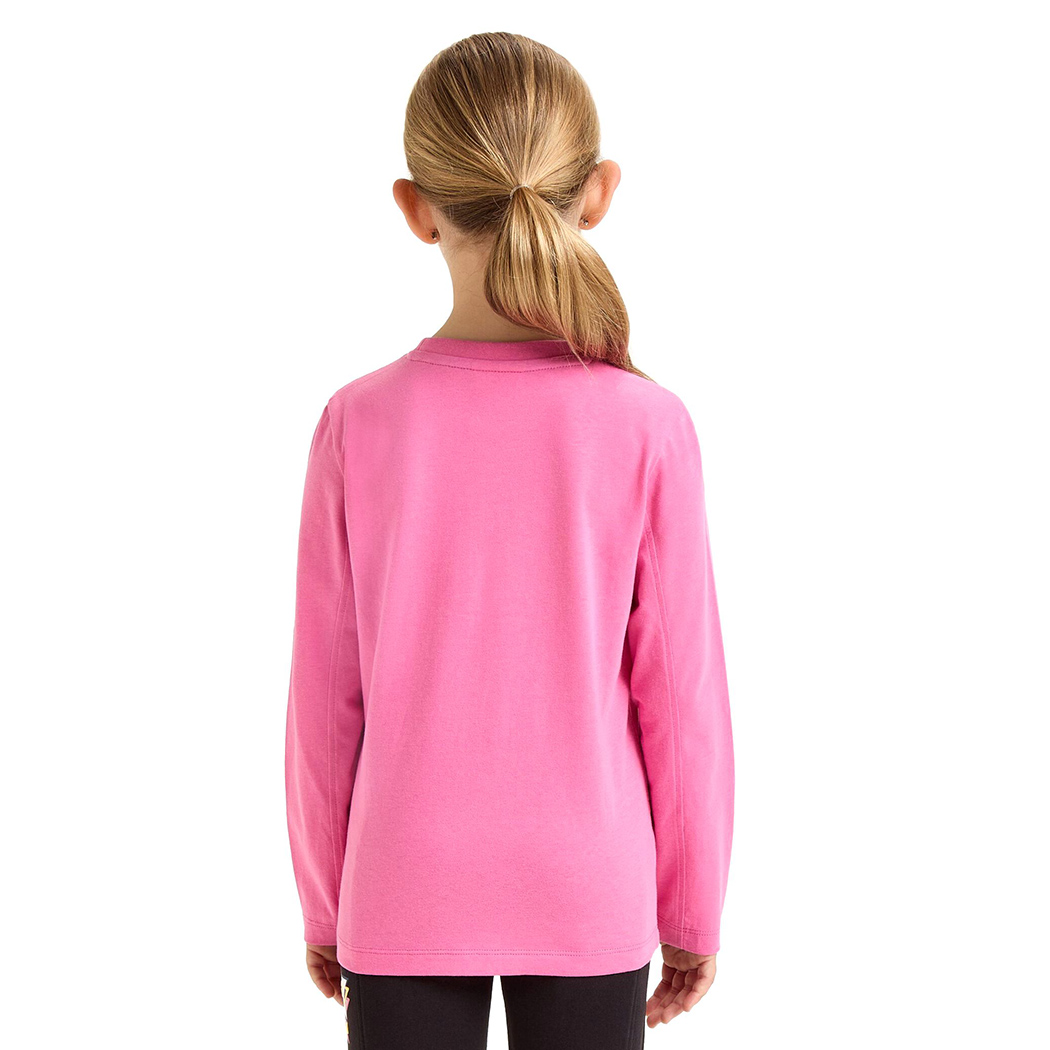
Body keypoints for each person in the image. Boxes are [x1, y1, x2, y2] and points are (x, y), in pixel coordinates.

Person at [285, 31, 735, 1049]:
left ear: (416, 208)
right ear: (598, 193)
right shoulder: (648, 426)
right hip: (590, 880)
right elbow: (681, 699)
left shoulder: (358, 423)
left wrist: (325, 900)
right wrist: (692, 910)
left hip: (401, 878)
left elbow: (326, 698)